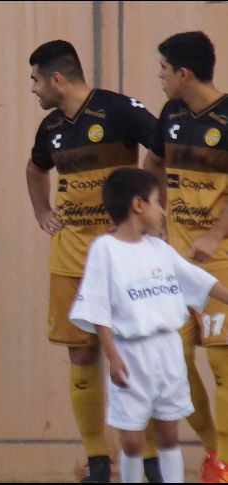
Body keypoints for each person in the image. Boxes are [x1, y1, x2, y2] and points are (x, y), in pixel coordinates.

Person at [25, 40, 171, 483]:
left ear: (56, 79)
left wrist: (146, 201)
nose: (31, 88)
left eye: (35, 79)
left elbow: (163, 146)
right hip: (71, 258)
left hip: (123, 259)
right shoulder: (50, 127)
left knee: (134, 356)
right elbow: (36, 169)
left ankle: (148, 461)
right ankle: (96, 462)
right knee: (81, 357)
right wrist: (41, 211)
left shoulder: (118, 110)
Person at [69, 167, 228, 483]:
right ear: (138, 205)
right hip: (130, 355)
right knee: (132, 439)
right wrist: (113, 356)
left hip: (167, 352)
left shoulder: (159, 249)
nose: (163, 210)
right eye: (158, 201)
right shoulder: (105, 250)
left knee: (169, 432)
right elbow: (97, 307)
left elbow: (201, 281)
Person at [144, 30, 228, 482]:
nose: (158, 76)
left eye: (162, 68)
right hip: (174, 261)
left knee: (221, 363)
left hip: (220, 259)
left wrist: (215, 235)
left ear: (183, 72)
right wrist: (154, 217)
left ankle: (225, 466)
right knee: (174, 366)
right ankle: (215, 450)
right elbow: (152, 164)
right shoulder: (171, 113)